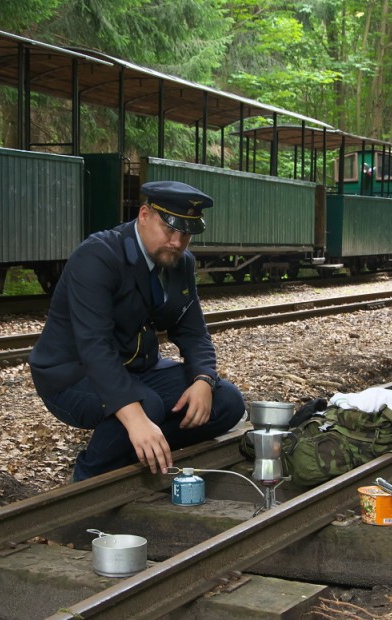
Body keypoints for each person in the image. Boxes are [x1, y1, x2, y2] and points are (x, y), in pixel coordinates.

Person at [29, 180, 245, 482]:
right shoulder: (98, 256)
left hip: (137, 370)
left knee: (227, 402)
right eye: (170, 229)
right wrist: (136, 418)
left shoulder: (180, 263)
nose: (177, 242)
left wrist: (203, 379)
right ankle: (85, 487)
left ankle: (142, 453)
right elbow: (94, 347)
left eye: (186, 234)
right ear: (144, 215)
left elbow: (193, 331)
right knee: (146, 407)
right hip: (71, 375)